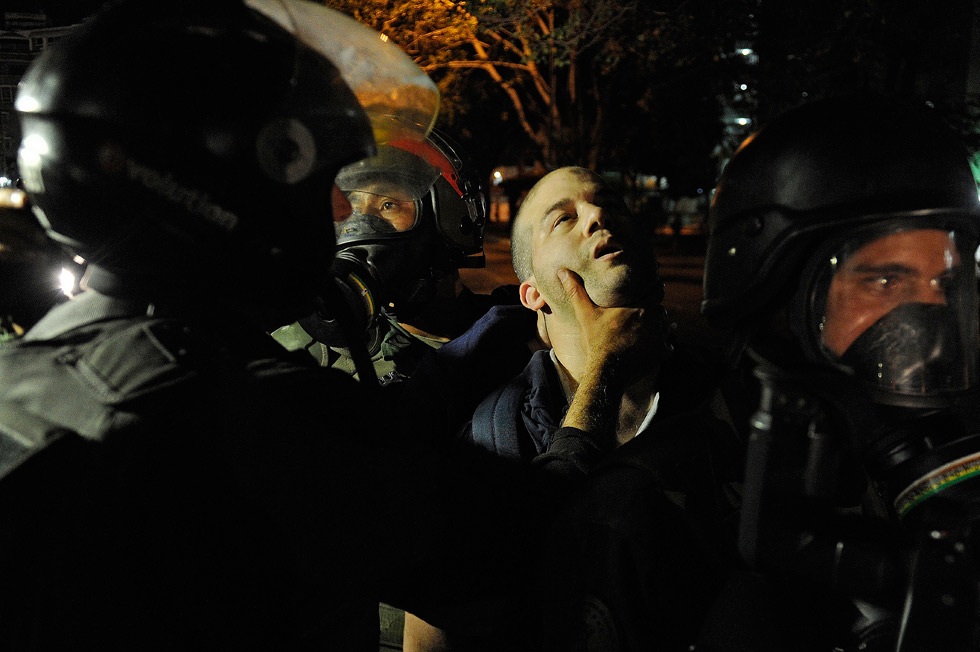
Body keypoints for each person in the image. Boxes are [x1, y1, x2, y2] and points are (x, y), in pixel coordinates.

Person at [0, 2, 630, 650]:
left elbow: (370, 435)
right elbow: (524, 530)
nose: (338, 217)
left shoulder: (35, 362)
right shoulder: (243, 415)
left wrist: (476, 346)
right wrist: (603, 369)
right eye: (313, 180)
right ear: (216, 190)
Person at [540, 93, 980, 652]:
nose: (928, 316)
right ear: (774, 296)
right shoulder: (642, 513)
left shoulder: (944, 474)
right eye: (884, 281)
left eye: (946, 283)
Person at [403, 166, 730, 650]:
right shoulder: (489, 440)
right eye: (562, 219)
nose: (598, 215)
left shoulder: (735, 405)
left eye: (611, 205)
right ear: (532, 293)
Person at [272, 129, 516, 385]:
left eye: (388, 204)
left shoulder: (518, 337)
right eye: (351, 207)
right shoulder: (301, 358)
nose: (360, 224)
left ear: (448, 220)